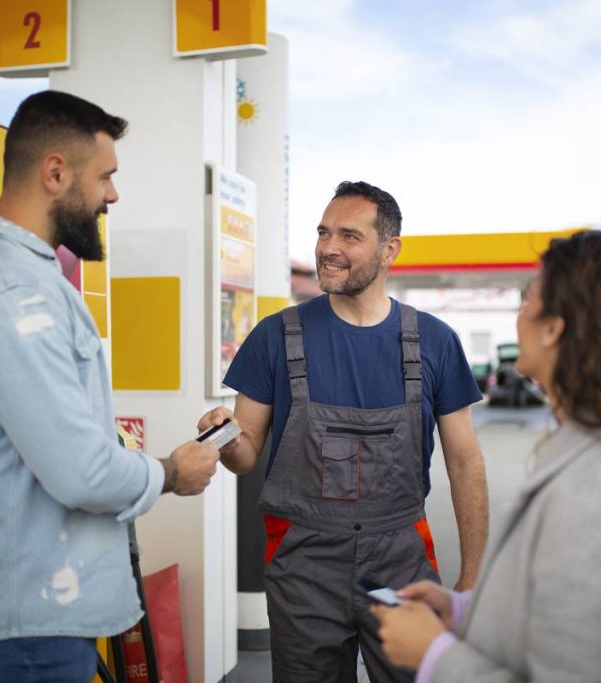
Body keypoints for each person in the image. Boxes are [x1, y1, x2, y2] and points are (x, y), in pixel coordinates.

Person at [0, 90, 221, 683]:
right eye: (105, 176)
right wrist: (171, 472)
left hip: (34, 612)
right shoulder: (12, 294)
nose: (113, 194)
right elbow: (81, 472)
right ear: (55, 172)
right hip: (30, 622)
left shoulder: (16, 276)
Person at [374, 231, 601, 682]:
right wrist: (461, 612)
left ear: (555, 328)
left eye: (528, 297)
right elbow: (573, 603)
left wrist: (433, 655)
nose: (520, 312)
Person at [198, 181, 490, 682]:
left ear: (389, 249)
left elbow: (465, 461)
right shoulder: (276, 335)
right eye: (323, 232)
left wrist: (472, 576)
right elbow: (245, 454)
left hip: (401, 564)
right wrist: (224, 436)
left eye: (349, 236)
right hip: (304, 565)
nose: (328, 248)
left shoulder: (435, 342)